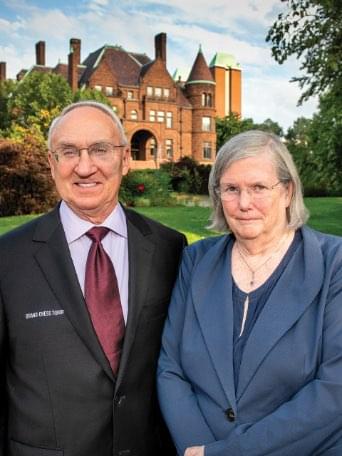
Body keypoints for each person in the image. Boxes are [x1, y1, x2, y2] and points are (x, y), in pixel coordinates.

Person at [0, 100, 186, 456]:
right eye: (68, 151)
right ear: (51, 163)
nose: (85, 167)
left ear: (125, 159)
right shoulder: (7, 258)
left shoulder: (169, 248)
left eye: (100, 149)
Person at [157, 130, 342, 456]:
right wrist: (197, 450)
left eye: (258, 187)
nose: (244, 204)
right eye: (231, 189)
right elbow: (171, 368)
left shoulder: (333, 265)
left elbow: (334, 390)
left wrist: (226, 453)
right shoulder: (196, 260)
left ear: (287, 191)